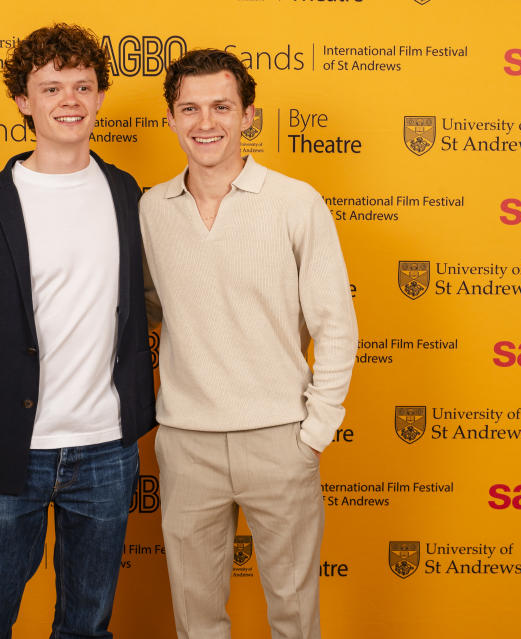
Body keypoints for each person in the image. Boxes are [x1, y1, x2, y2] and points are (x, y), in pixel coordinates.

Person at [0, 23, 155, 639]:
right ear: (24, 102)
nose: (70, 101)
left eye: (83, 86)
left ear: (101, 96)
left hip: (108, 451)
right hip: (9, 456)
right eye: (51, 87)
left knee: (86, 625)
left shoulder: (124, 193)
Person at [140, 49, 358, 639]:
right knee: (197, 620)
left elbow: (336, 324)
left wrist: (314, 431)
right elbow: (154, 307)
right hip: (186, 445)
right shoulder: (150, 209)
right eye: (189, 108)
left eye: (220, 106)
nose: (204, 122)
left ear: (248, 116)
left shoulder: (296, 202)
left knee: (293, 615)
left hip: (279, 439)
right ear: (171, 119)